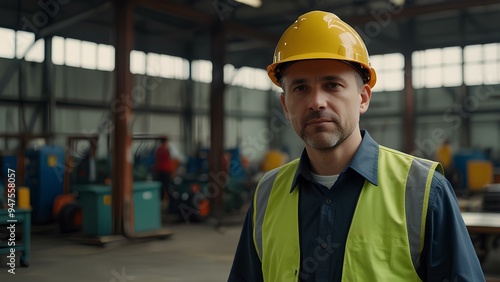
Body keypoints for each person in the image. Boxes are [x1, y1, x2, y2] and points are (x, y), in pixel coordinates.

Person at [228, 10, 485, 281]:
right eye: (300, 88)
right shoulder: (266, 195)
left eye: (332, 85)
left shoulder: (423, 191)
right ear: (285, 105)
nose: (316, 102)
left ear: (363, 98)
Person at [154, 136, 175, 204]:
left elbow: (157, 160)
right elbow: (169, 160)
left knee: (161, 187)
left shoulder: (158, 150)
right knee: (168, 186)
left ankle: (160, 202)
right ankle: (171, 203)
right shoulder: (166, 149)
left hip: (159, 170)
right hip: (166, 170)